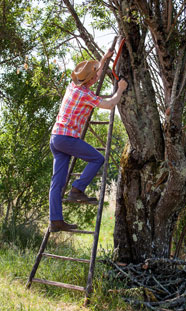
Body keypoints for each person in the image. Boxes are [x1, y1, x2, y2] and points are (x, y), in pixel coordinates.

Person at [49, 49, 128, 232]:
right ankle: (77, 189)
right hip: (67, 137)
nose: (96, 79)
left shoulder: (73, 86)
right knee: (97, 158)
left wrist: (105, 59)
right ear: (90, 81)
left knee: (57, 182)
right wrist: (120, 89)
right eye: (94, 77)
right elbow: (109, 105)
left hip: (56, 138)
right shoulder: (85, 95)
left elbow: (94, 74)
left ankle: (56, 221)